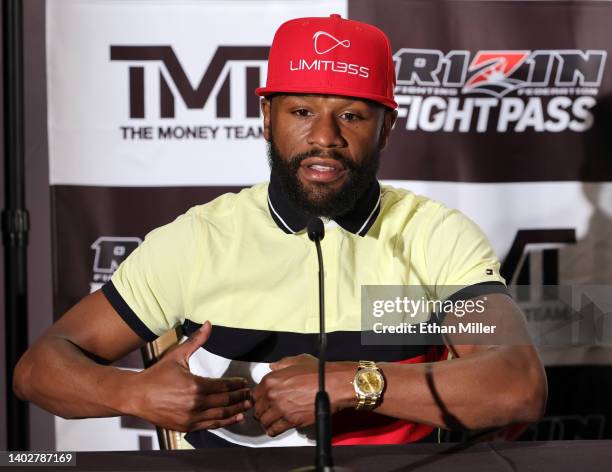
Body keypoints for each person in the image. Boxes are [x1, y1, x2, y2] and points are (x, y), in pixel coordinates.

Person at [14, 14, 546, 449]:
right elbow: (40, 368)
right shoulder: (198, 238)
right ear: (266, 117)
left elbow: (517, 383)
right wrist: (129, 394)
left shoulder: (435, 234)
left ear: (388, 128)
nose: (324, 137)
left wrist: (352, 382)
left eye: (353, 116)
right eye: (301, 110)